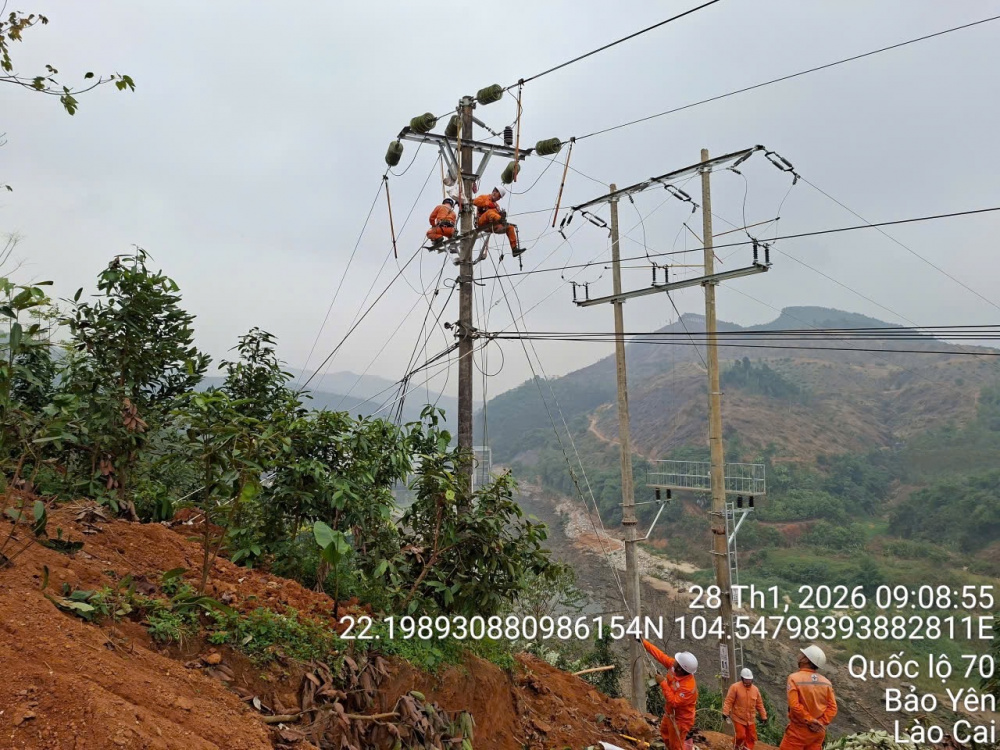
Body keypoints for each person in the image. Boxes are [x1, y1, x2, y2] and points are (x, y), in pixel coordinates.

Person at [641, 639, 699, 750]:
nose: (674, 662)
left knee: (676, 745)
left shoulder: (688, 687)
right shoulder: (674, 667)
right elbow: (660, 655)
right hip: (670, 714)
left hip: (681, 719)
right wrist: (643, 642)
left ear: (681, 669)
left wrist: (662, 682)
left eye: (677, 662)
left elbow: (674, 701)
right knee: (664, 733)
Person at [778, 645, 837, 750]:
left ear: (806, 660)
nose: (799, 656)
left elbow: (794, 706)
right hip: (818, 732)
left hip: (799, 731)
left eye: (802, 654)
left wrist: (810, 720)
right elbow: (833, 708)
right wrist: (820, 722)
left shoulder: (794, 678)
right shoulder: (826, 683)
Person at [472, 186, 525, 257]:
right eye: (498, 196)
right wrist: (487, 203)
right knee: (490, 212)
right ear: (494, 192)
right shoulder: (484, 197)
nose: (498, 198)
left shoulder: (496, 206)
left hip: (492, 226)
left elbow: (495, 214)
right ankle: (500, 219)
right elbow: (475, 202)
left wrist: (500, 214)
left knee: (510, 227)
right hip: (481, 222)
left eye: (500, 197)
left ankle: (514, 249)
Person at [724, 668, 767, 750]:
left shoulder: (755, 690)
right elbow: (729, 701)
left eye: (749, 679)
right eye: (746, 679)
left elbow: (759, 704)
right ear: (742, 678)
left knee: (751, 738)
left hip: (750, 719)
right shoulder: (735, 687)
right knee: (741, 735)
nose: (748, 681)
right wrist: (725, 712)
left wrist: (763, 716)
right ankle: (736, 747)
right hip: (738, 717)